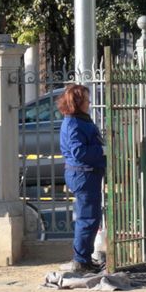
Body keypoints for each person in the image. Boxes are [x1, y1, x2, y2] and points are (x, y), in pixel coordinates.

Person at [57, 84, 106, 274]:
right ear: (77, 102)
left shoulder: (80, 120)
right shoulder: (73, 123)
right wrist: (101, 150)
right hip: (82, 173)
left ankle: (84, 258)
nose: (89, 102)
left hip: (86, 173)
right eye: (86, 99)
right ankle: (81, 260)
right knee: (87, 218)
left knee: (91, 218)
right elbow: (79, 151)